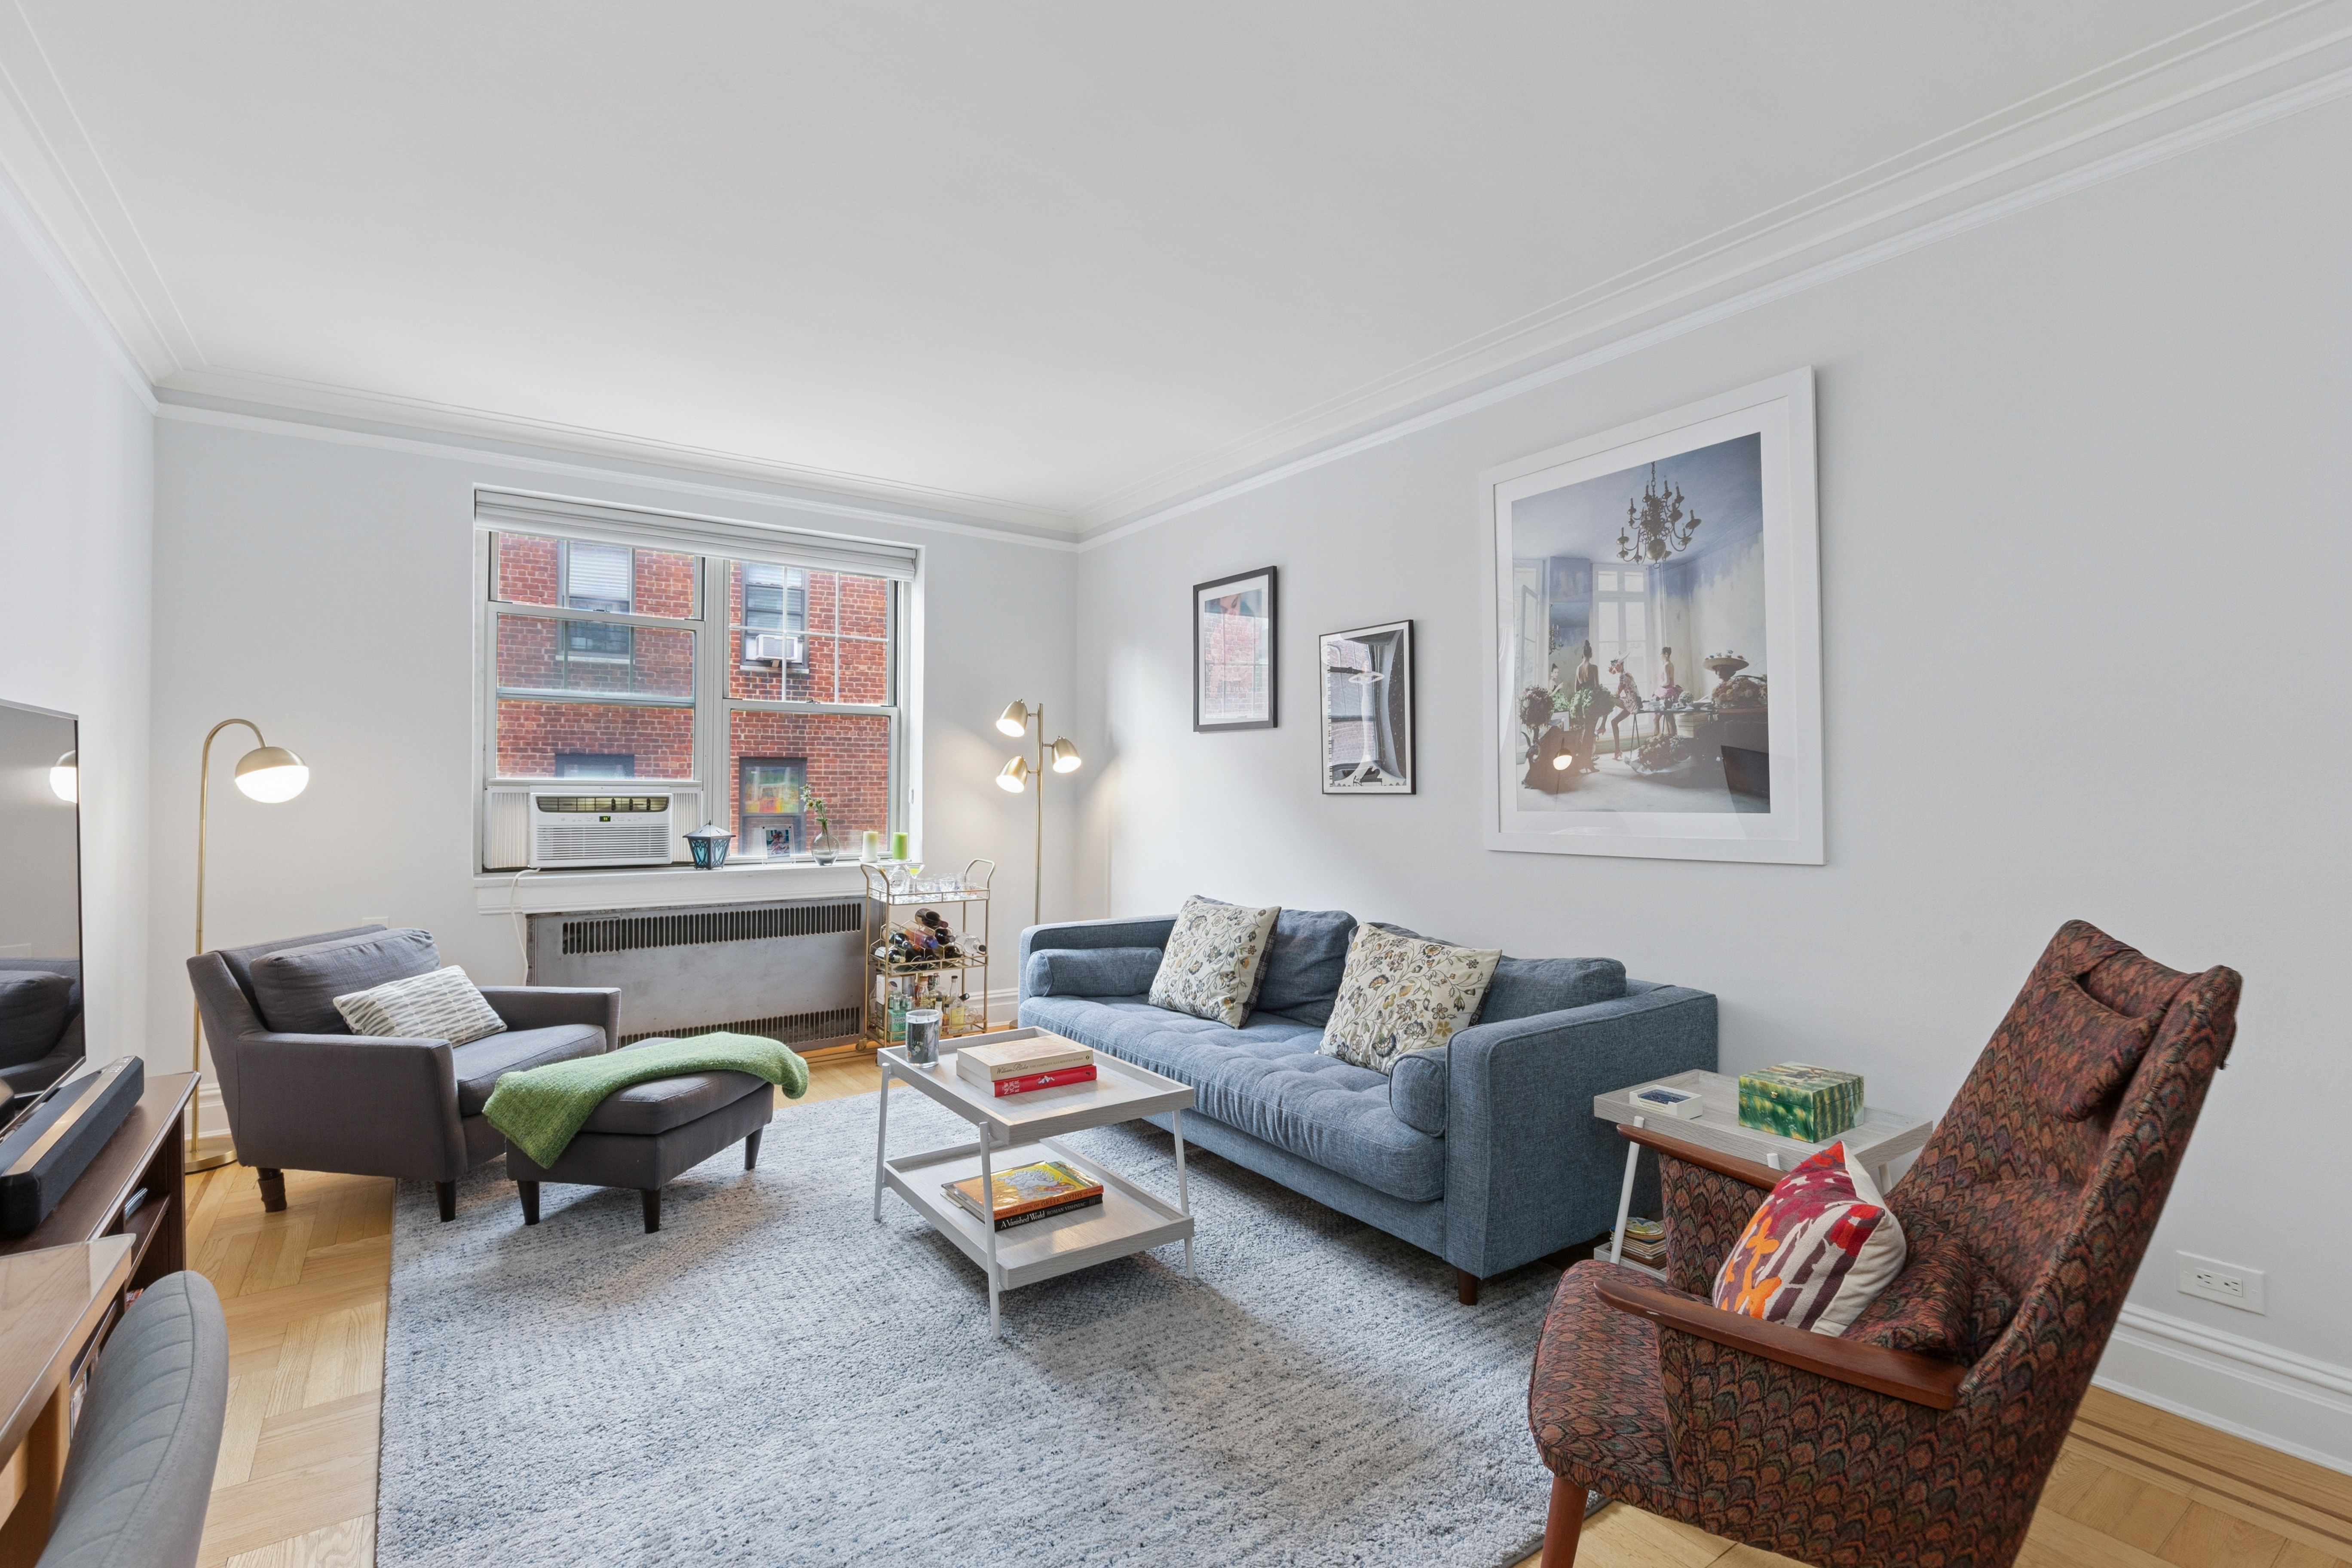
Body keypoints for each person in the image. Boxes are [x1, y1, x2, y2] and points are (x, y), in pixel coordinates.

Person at [1607, 657, 1642, 756]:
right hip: (1633, 702)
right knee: (1614, 722)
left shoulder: (1624, 675)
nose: (1616, 668)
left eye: (1617, 666)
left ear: (1622, 665)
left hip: (1632, 703)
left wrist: (1614, 696)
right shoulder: (1626, 674)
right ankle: (1617, 751)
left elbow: (1619, 691)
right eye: (1615, 667)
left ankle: (1602, 726)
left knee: (1609, 699)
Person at [1655, 646, 1683, 738]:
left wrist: (1660, 686)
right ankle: (1673, 738)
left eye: (1661, 654)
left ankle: (1659, 739)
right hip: (1671, 691)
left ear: (1666, 655)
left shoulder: (1666, 665)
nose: (1660, 656)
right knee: (1670, 717)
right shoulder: (1671, 664)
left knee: (1659, 717)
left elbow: (1667, 682)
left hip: (1667, 692)